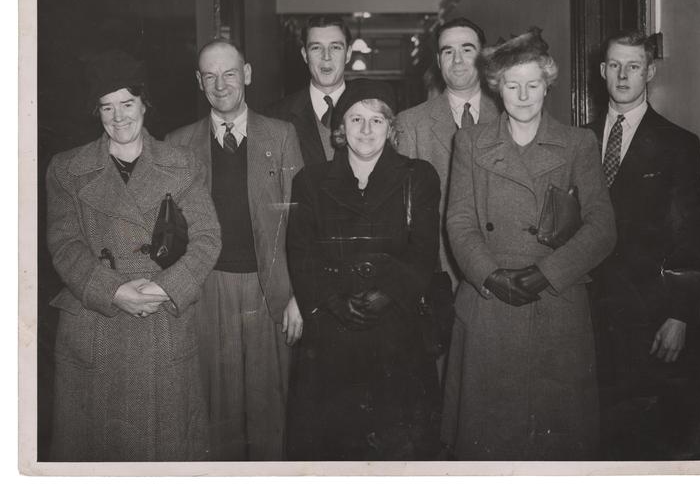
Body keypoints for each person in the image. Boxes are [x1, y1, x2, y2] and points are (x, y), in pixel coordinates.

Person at [441, 29, 617, 460]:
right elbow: (460, 222)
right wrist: (490, 274)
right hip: (489, 304)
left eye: (533, 84)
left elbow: (602, 227)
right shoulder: (470, 142)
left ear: (547, 85)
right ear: (497, 88)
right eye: (512, 85)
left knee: (554, 444)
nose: (523, 95)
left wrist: (547, 273)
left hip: (556, 303)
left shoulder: (578, 143)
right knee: (489, 441)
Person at [46, 50, 221, 461]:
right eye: (107, 107)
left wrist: (165, 288)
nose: (119, 116)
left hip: (161, 321)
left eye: (127, 103)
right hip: (95, 322)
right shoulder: (66, 168)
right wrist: (113, 292)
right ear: (97, 112)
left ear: (145, 105)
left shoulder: (182, 164)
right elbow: (65, 245)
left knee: (163, 450)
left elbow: (207, 237)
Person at [285, 79, 442, 460]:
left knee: (397, 450)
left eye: (377, 120)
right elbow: (301, 254)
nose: (366, 130)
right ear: (341, 129)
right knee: (334, 450)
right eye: (356, 119)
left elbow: (424, 253)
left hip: (397, 334)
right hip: (332, 338)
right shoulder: (310, 181)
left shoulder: (418, 176)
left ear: (391, 127)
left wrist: (388, 294)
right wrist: (333, 301)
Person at [166, 39, 304, 461]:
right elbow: (170, 234)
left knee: (271, 409)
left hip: (271, 292)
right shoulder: (177, 143)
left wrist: (299, 294)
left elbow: (300, 222)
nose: (220, 84)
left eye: (229, 73)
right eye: (210, 76)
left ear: (246, 73)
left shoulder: (281, 135)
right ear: (199, 82)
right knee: (214, 410)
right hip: (208, 292)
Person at [587, 30, 700, 459]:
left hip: (648, 316)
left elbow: (691, 239)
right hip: (584, 314)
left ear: (650, 72)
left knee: (641, 437)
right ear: (602, 71)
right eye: (615, 65)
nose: (623, 75)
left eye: (633, 66)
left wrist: (681, 313)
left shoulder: (678, 144)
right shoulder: (576, 142)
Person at [396, 17, 499, 289]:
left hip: (500, 269)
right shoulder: (410, 123)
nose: (457, 60)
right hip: (439, 272)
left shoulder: (509, 115)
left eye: (467, 49)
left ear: (483, 58)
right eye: (447, 51)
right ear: (438, 62)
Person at [270, 15, 352, 166]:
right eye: (316, 47)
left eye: (335, 47)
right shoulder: (276, 117)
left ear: (348, 54)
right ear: (305, 55)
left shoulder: (373, 112)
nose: (326, 56)